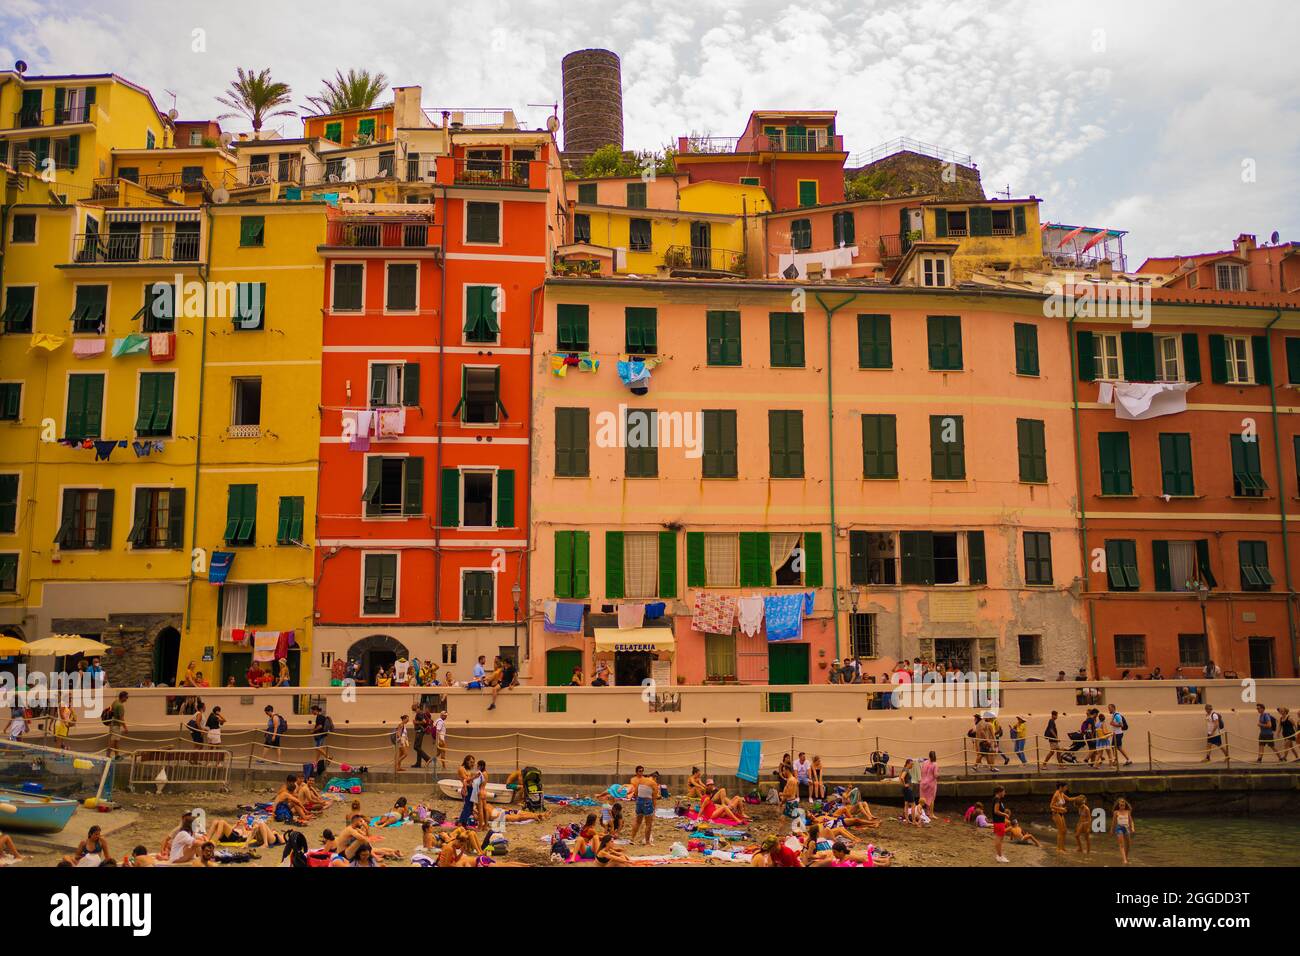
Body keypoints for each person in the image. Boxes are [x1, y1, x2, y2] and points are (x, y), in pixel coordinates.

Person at [627, 765, 657, 845]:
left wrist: (638, 801)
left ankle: (632, 839)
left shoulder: (640, 781)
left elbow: (636, 793)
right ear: (654, 778)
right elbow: (654, 798)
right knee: (648, 823)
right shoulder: (654, 783)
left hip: (639, 801)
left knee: (637, 821)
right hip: (647, 802)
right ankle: (647, 842)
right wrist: (654, 808)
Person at [1108, 702, 1133, 766]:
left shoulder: (1117, 715)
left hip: (1118, 734)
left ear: (1113, 708)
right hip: (1116, 734)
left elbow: (1121, 725)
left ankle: (1116, 761)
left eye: (1109, 708)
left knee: (1114, 747)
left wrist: (1113, 724)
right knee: (1118, 747)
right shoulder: (1114, 715)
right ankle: (1127, 759)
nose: (1109, 710)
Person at [990, 785, 1010, 863]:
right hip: (998, 822)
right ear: (999, 792)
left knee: (1000, 839)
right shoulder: (997, 799)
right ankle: (999, 856)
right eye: (1004, 791)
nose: (1005, 793)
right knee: (999, 839)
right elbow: (996, 811)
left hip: (999, 821)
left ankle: (999, 855)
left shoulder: (997, 799)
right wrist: (1005, 815)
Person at [1049, 781, 1070, 853]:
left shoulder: (1062, 793)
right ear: (1061, 787)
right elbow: (1051, 806)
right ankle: (1058, 849)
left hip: (1061, 814)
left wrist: (1078, 798)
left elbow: (1069, 799)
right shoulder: (1056, 794)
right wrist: (1061, 809)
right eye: (1065, 787)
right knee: (1060, 831)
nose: (1066, 788)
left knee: (1064, 831)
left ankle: (1062, 847)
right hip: (1056, 814)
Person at [1113, 797, 1136, 863]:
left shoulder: (1128, 812)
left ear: (1125, 805)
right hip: (1119, 828)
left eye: (1123, 805)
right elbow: (1114, 822)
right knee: (1121, 844)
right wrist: (1112, 830)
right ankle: (1124, 860)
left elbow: (1131, 821)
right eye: (1120, 805)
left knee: (1128, 844)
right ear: (1118, 805)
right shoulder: (1116, 812)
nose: (1122, 806)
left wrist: (1132, 828)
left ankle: (1125, 857)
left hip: (1126, 828)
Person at [107, 691, 128, 756]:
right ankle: (108, 755)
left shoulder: (115, 702)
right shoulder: (120, 705)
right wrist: (125, 728)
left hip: (112, 724)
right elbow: (121, 718)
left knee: (115, 741)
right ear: (123, 697)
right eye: (126, 697)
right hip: (116, 725)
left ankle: (116, 755)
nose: (127, 699)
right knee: (113, 741)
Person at [919, 750, 939, 816]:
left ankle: (922, 812)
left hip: (923, 782)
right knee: (931, 798)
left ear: (929, 756)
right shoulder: (935, 764)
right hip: (931, 783)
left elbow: (921, 771)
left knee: (923, 798)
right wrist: (939, 777)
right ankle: (931, 813)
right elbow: (935, 775)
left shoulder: (925, 762)